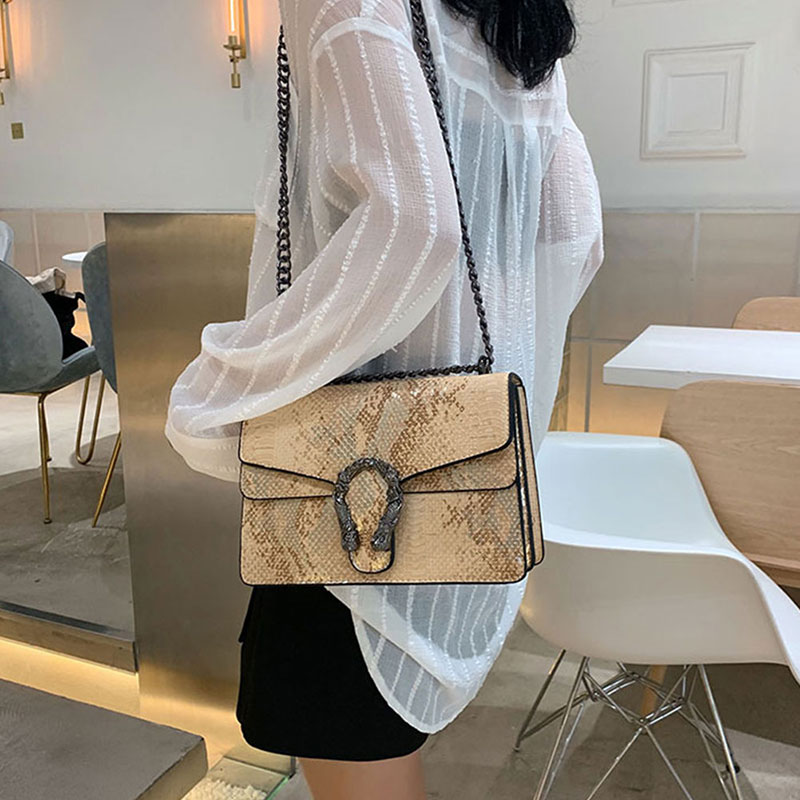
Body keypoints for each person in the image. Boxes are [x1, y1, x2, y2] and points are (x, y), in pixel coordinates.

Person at [165, 0, 603, 797]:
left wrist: (227, 378)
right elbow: (574, 235)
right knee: (383, 753)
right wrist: (480, 382)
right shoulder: (516, 28)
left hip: (334, 487)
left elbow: (417, 228)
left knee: (354, 749)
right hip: (461, 499)